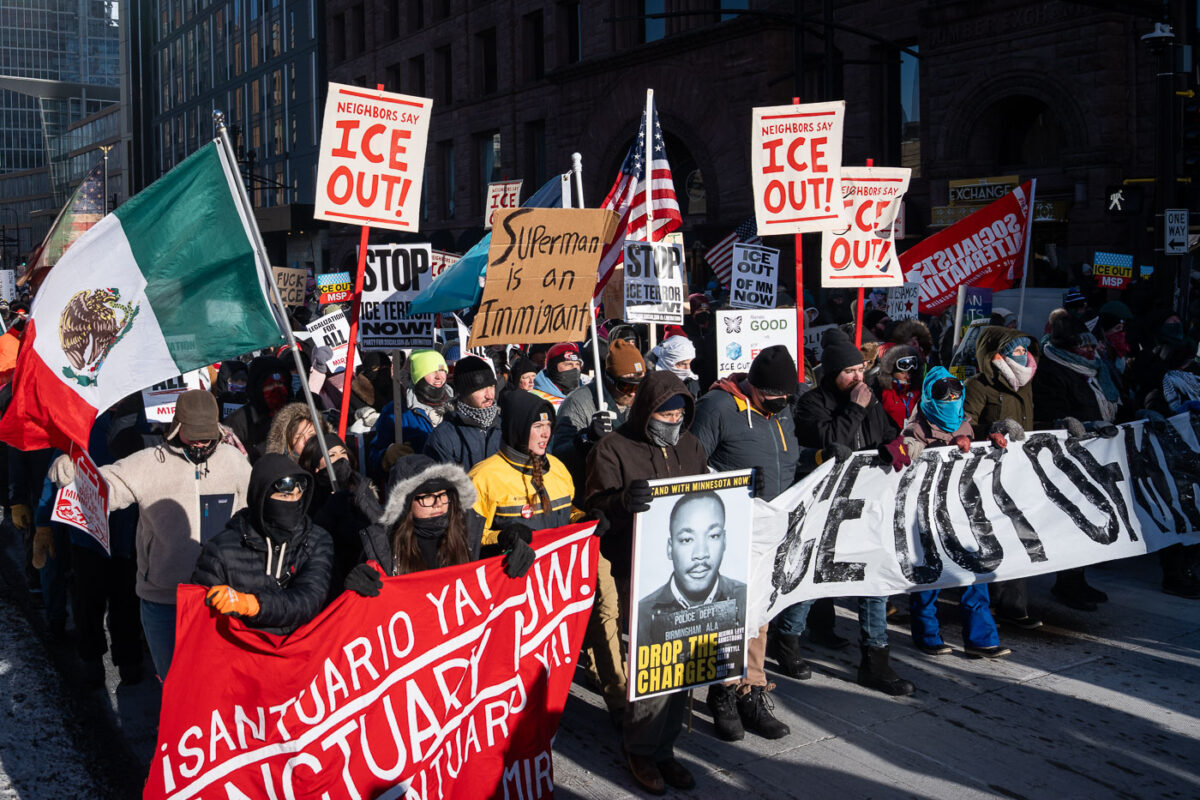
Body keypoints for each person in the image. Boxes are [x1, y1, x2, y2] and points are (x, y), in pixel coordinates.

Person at [48, 390, 251, 679]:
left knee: (214, 683)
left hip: (219, 596)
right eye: (193, 433)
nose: (200, 442)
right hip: (163, 599)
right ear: (177, 426)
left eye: (206, 435)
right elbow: (107, 488)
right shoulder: (149, 462)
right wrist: (74, 472)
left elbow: (254, 509)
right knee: (171, 685)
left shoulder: (233, 460)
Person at [585, 370, 709, 794]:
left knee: (683, 669)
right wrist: (621, 502)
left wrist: (745, 491)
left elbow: (709, 492)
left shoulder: (690, 445)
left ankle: (665, 750)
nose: (672, 421)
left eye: (679, 413)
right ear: (645, 411)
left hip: (691, 574)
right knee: (652, 667)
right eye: (664, 412)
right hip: (638, 572)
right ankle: (640, 749)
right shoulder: (613, 448)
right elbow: (594, 512)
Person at [692, 345, 813, 740]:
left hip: (771, 528)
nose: (780, 404)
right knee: (729, 612)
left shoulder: (783, 409)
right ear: (752, 385)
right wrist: (738, 486)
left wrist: (822, 456)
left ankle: (752, 688)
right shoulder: (717, 407)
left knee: (759, 612)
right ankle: (723, 690)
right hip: (729, 525)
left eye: (785, 399)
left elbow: (788, 458)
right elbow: (691, 465)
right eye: (772, 398)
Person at [795, 329, 915, 697]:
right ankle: (788, 641)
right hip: (828, 508)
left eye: (861, 370)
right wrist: (855, 408)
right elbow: (834, 440)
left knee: (873, 582)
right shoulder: (812, 403)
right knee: (817, 580)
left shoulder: (870, 398)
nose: (858, 378)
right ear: (832, 374)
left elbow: (888, 434)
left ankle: (875, 662)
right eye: (848, 372)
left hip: (868, 505)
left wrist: (893, 448)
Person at [902, 368, 1011, 659]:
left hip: (962, 510)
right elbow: (908, 454)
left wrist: (993, 440)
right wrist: (944, 448)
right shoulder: (917, 426)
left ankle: (982, 639)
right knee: (931, 575)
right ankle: (926, 634)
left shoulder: (965, 421)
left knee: (975, 573)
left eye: (955, 393)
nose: (950, 399)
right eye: (943, 394)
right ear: (929, 396)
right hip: (927, 514)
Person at [191, 454, 333, 636]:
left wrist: (251, 604)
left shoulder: (316, 541)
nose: (293, 502)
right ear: (262, 497)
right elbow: (201, 623)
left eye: (299, 495)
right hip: (243, 655)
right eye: (284, 495)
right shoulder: (220, 551)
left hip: (299, 653)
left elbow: (309, 600)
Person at [1035, 310, 1119, 611]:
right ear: (1067, 348)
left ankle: (1080, 578)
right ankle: (1067, 583)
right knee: (1074, 518)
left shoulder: (1097, 370)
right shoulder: (1052, 370)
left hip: (1099, 454)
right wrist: (1069, 422)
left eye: (1092, 345)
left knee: (1096, 514)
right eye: (1083, 347)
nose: (1091, 351)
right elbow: (1049, 411)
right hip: (1069, 458)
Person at [349, 454, 534, 587]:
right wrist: (359, 584)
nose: (438, 504)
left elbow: (486, 564)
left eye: (443, 495)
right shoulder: (384, 546)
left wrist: (511, 545)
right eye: (427, 497)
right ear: (405, 504)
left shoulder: (465, 531)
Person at [964, 327, 1040, 629]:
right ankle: (988, 601)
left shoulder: (1026, 384)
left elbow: (1029, 427)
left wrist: (1062, 425)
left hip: (1020, 471)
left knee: (1022, 535)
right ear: (997, 354)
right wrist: (993, 428)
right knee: (990, 539)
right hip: (987, 474)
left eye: (1025, 349)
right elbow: (964, 428)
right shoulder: (978, 385)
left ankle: (1013, 605)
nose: (1023, 355)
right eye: (1016, 350)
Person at [636, 491, 747, 650]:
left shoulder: (744, 598)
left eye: (713, 536)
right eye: (687, 539)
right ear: (670, 548)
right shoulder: (643, 614)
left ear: (724, 541)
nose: (700, 554)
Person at [470, 389, 579, 542]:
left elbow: (568, 512)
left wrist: (581, 518)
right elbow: (468, 536)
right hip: (516, 564)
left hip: (555, 564)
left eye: (548, 425)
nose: (546, 433)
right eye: (538, 426)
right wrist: (502, 538)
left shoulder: (557, 467)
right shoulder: (483, 477)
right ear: (518, 429)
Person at [551, 338, 645, 490]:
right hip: (592, 491)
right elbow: (559, 455)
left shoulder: (644, 401)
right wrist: (586, 438)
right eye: (627, 386)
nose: (634, 393)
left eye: (639, 386)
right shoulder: (578, 403)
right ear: (609, 379)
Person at [298, 432, 378, 587]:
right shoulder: (308, 498)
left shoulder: (363, 487)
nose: (341, 459)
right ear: (315, 466)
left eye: (343, 453)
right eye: (332, 455)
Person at [367, 349, 453, 479]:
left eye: (442, 370)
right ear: (417, 375)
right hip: (416, 486)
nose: (438, 376)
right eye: (430, 371)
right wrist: (386, 456)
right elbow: (373, 457)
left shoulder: (456, 407)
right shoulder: (396, 411)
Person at [423, 355, 502, 471]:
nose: (489, 395)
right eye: (480, 389)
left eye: (491, 386)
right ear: (464, 393)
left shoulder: (505, 426)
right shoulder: (443, 437)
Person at [223, 356, 293, 462]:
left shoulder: (294, 415)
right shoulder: (239, 422)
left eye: (281, 383)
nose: (277, 390)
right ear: (257, 389)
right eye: (270, 385)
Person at [877, 344, 923, 429]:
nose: (907, 377)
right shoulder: (882, 392)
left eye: (910, 373)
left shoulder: (918, 392)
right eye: (902, 373)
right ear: (891, 371)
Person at [531, 342, 584, 407]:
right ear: (553, 367)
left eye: (577, 364)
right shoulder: (535, 398)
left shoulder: (584, 395)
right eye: (568, 364)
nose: (575, 368)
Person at [648, 332, 701, 397]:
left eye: (690, 363)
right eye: (683, 364)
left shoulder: (692, 382)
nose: (688, 368)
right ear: (668, 362)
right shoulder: (652, 384)